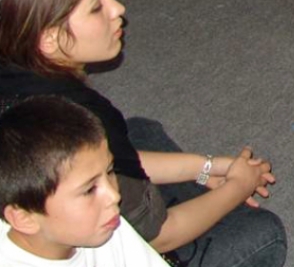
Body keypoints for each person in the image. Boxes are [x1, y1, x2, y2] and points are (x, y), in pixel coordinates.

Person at [0, 0, 286, 265]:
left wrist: (208, 167)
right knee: (264, 235)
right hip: (86, 230)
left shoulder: (17, 75)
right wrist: (236, 186)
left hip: (52, 199)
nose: (118, 7)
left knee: (139, 130)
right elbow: (161, 234)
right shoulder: (77, 117)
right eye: (97, 6)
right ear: (50, 39)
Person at [0, 96, 168, 266]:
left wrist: (197, 171)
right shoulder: (96, 221)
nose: (114, 195)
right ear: (25, 219)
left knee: (146, 132)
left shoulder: (99, 220)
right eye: (89, 190)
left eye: (110, 171)